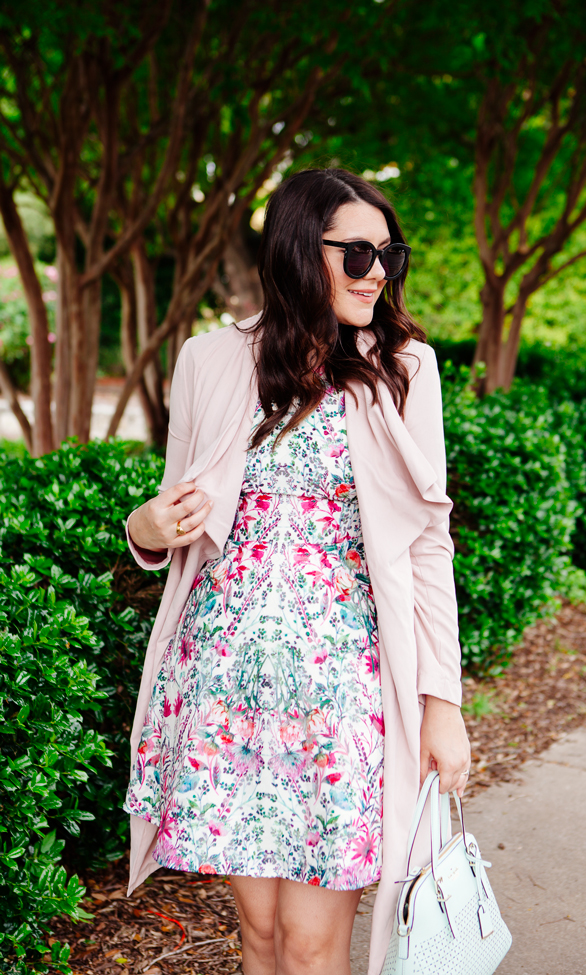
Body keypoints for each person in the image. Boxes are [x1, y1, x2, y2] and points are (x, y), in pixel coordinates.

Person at [123, 168, 471, 975]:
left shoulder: (403, 367)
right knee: (262, 938)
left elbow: (427, 544)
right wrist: (145, 526)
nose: (377, 272)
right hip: (225, 695)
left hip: (342, 696)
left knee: (315, 948)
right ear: (294, 248)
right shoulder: (210, 359)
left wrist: (440, 702)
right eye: (356, 253)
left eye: (389, 254)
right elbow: (175, 511)